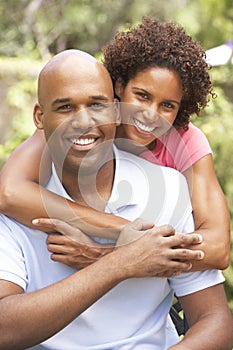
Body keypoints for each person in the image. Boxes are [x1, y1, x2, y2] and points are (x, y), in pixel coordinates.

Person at [0, 49, 233, 350]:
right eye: (66, 107)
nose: (83, 121)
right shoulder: (18, 207)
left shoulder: (170, 183)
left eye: (96, 105)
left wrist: (105, 253)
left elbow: (216, 312)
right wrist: (122, 257)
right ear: (40, 118)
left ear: (113, 108)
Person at [0, 17, 230, 272]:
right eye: (142, 96)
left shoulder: (187, 141)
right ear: (119, 86)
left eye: (167, 106)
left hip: (158, 292)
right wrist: (125, 230)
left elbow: (218, 247)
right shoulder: (82, 126)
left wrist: (105, 256)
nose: (151, 114)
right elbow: (10, 193)